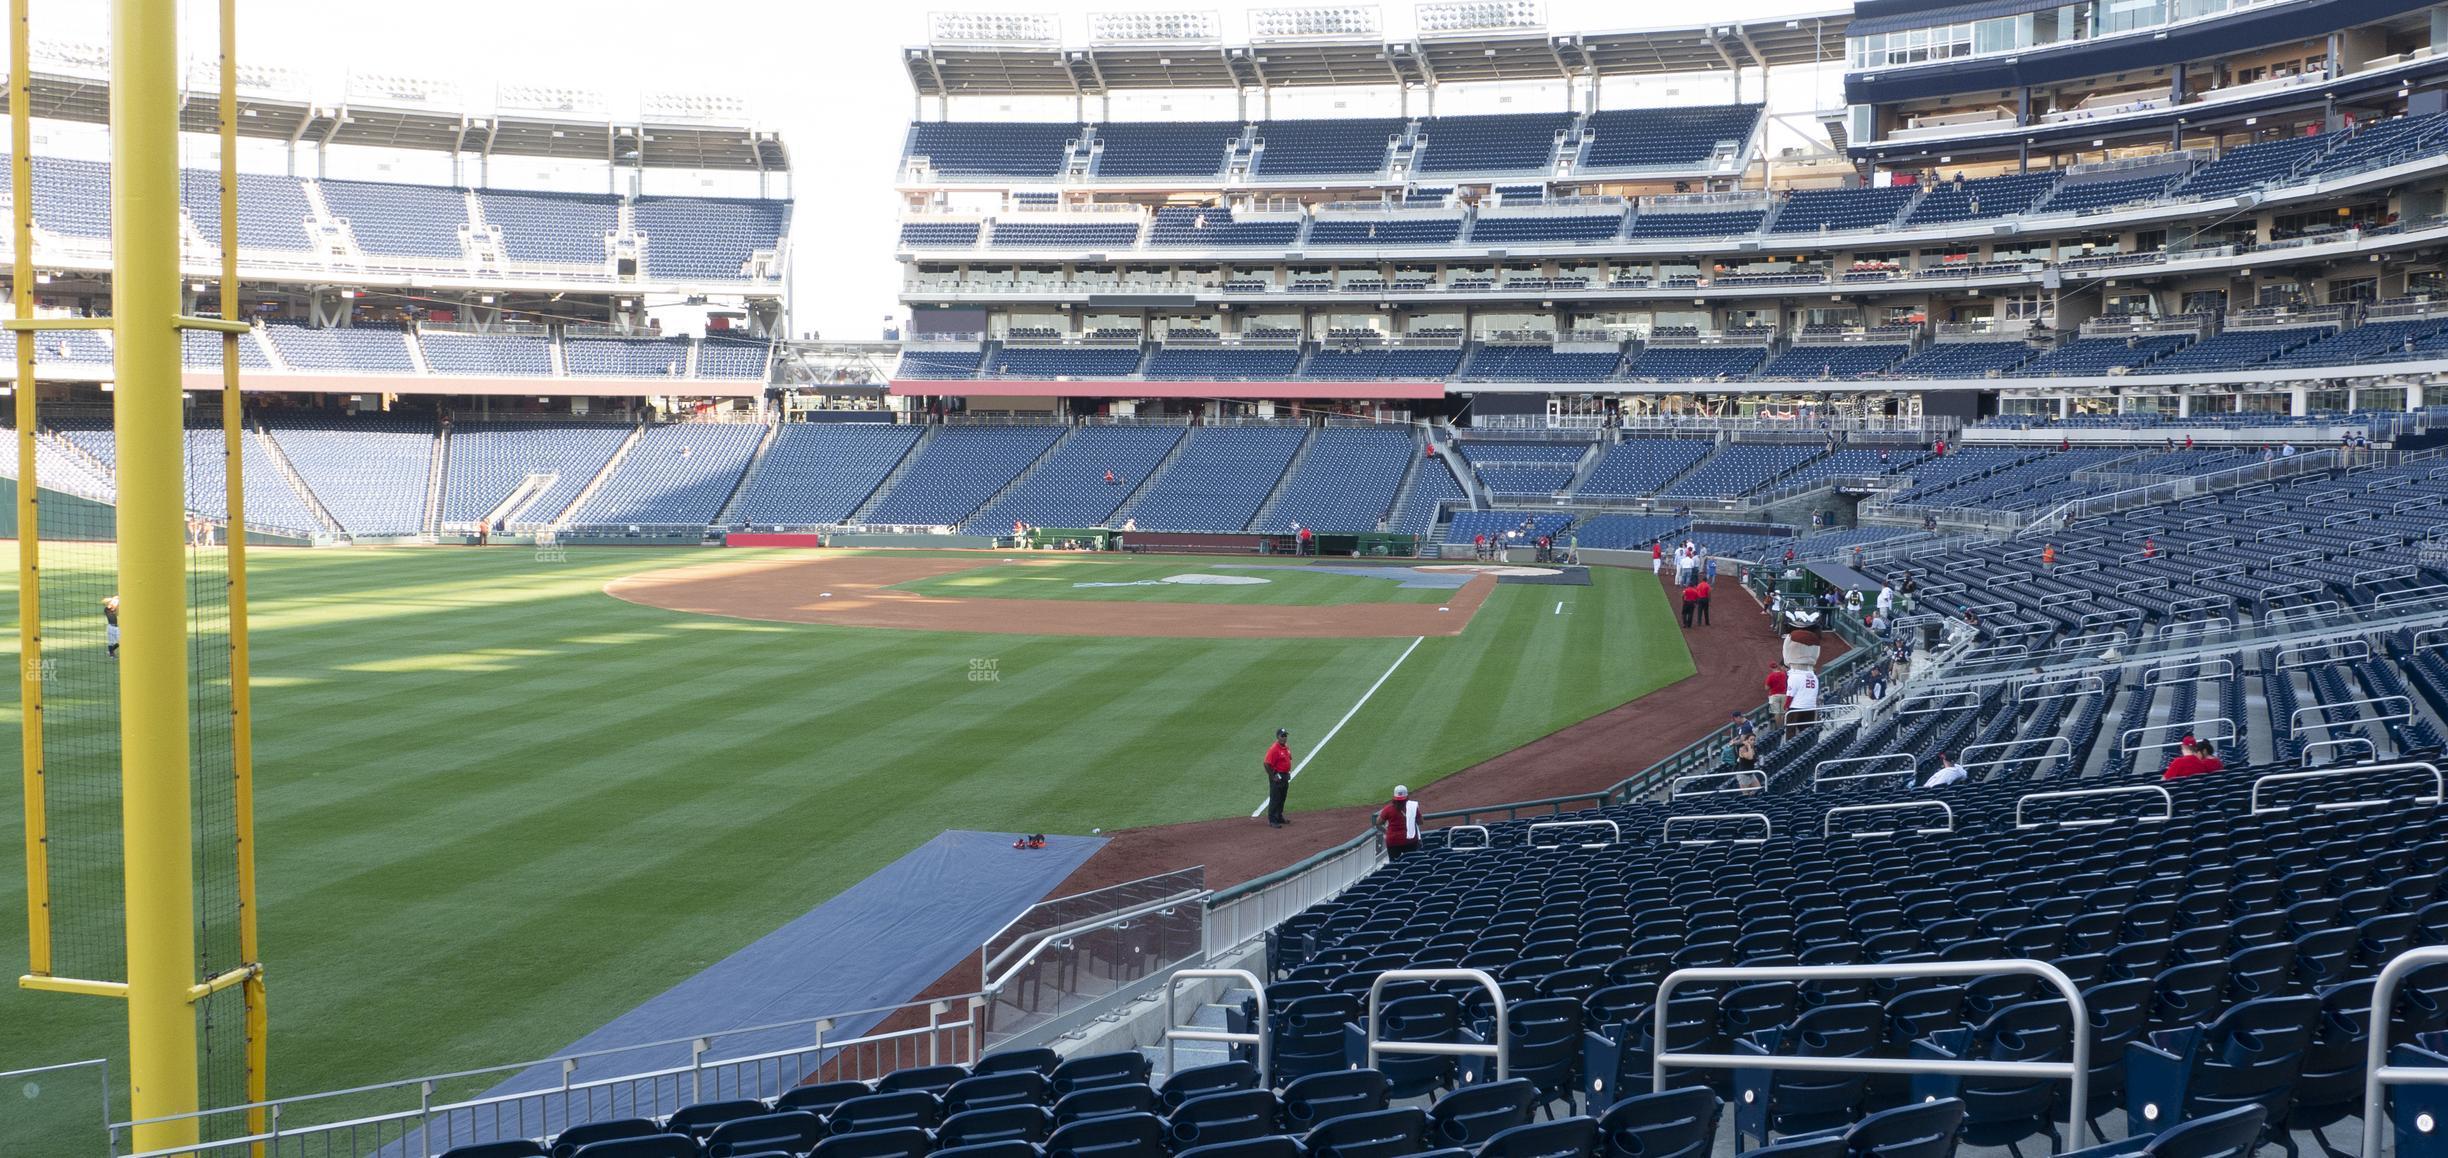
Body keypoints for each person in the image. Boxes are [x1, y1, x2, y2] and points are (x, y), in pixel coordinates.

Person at [1375, 785, 1423, 859]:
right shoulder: (1413, 808)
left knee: (1394, 864)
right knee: (1411, 862)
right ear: (1407, 798)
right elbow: (1420, 822)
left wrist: (1386, 831)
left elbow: (1378, 822)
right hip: (1410, 841)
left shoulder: (1388, 809)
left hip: (1393, 841)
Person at [1262, 728, 1294, 827]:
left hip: (1284, 776)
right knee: (1275, 798)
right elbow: (1266, 763)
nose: (1284, 738)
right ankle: (1272, 820)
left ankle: (1279, 816)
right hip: (1277, 776)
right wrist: (1272, 776)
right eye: (1282, 736)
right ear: (1278, 737)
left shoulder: (1286, 747)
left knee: (1282, 797)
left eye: (1285, 736)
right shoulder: (1274, 749)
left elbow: (1289, 758)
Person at [1765, 665, 1789, 730]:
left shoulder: (1770, 676)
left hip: (1774, 695)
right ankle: (1784, 727)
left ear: (1771, 668)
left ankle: (1780, 728)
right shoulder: (1784, 674)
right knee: (1783, 713)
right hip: (1784, 695)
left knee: (1776, 713)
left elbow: (1766, 688)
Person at [102, 594, 119, 659]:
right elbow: (113, 605)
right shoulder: (106, 609)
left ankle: (110, 651)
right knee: (111, 642)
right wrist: (113, 599)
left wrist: (115, 599)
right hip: (110, 627)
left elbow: (116, 602)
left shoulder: (113, 609)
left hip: (116, 627)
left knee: (120, 641)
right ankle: (112, 655)